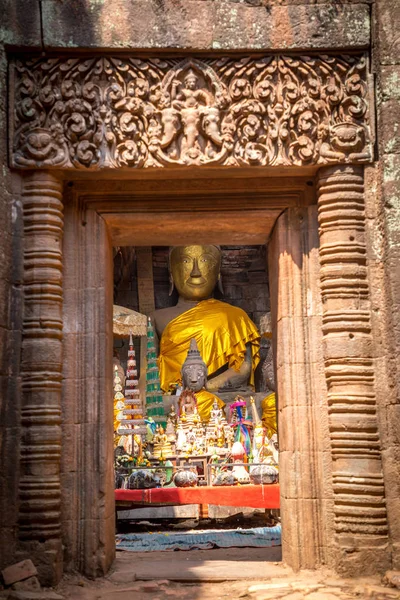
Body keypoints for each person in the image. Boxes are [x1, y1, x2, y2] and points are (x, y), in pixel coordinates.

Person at [153, 245, 260, 404]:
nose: (195, 272)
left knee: (253, 403)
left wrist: (204, 388)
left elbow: (243, 368)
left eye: (204, 261)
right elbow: (146, 371)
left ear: (218, 275)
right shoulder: (156, 318)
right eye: (186, 261)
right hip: (173, 397)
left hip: (219, 395)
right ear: (171, 276)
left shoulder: (236, 316)